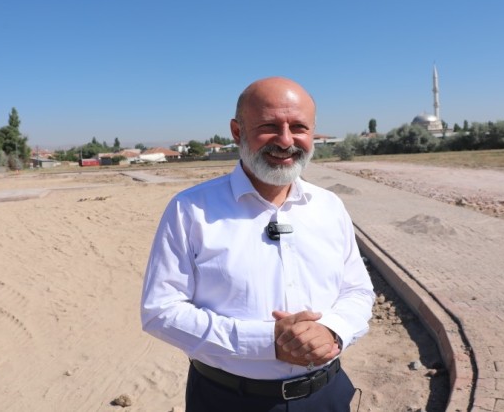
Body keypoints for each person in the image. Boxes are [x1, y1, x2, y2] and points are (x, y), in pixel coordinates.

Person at [140, 76, 375, 411]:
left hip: (326, 395)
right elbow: (161, 311)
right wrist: (267, 343)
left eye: (299, 127)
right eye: (269, 126)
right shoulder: (190, 209)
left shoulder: (329, 206)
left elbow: (357, 291)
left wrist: (332, 330)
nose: (285, 140)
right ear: (237, 132)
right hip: (228, 400)